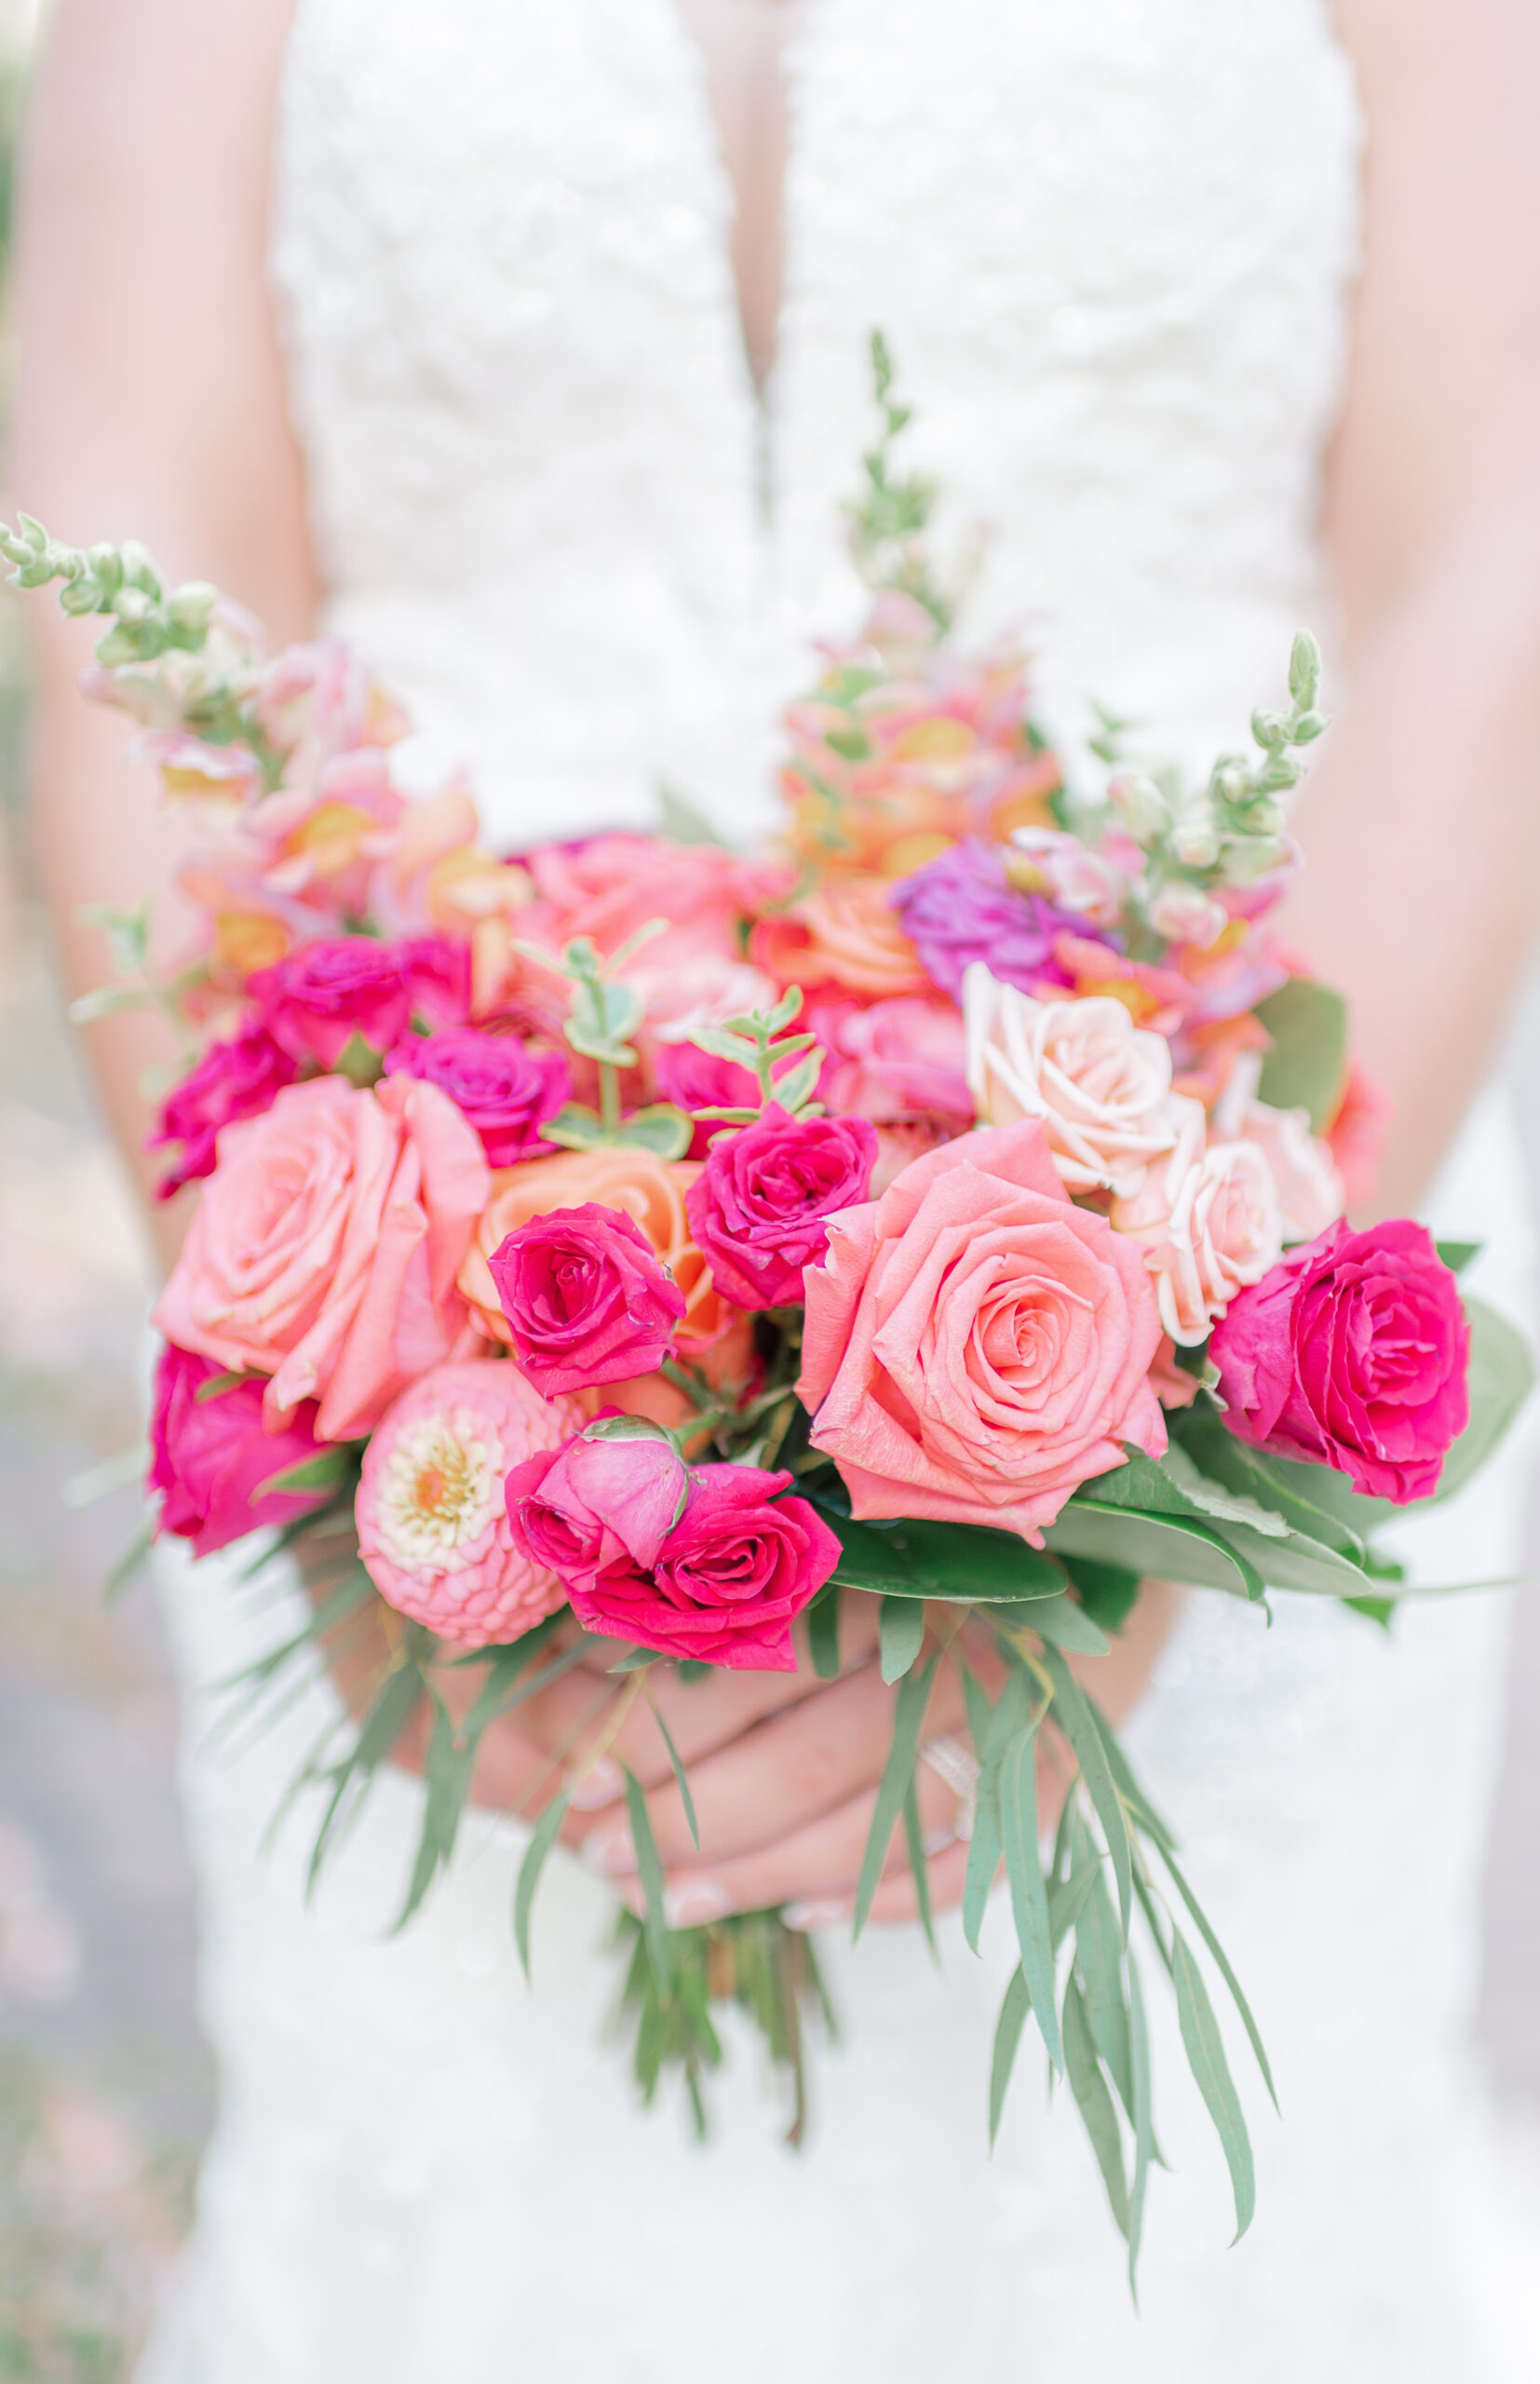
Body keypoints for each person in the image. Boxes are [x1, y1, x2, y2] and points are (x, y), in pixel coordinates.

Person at [9, 1, 1540, 2375]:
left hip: (1248, 1134)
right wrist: (359, 1435)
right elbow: (144, 569)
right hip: (420, 1251)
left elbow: (1482, 557)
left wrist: (1143, 1463)